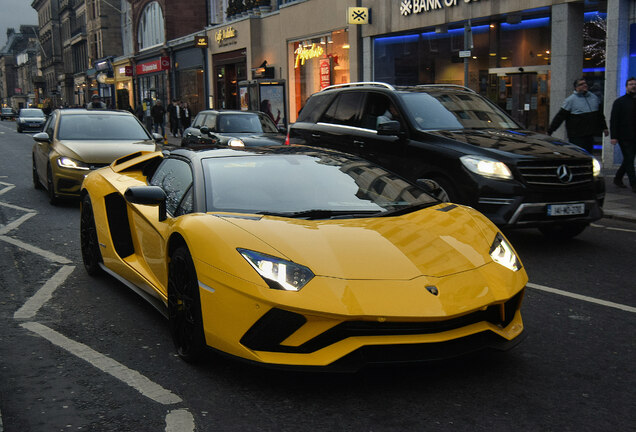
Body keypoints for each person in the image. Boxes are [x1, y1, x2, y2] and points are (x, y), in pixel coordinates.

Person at [547, 77, 609, 153]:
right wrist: (550, 131)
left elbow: (600, 115)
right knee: (578, 153)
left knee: (588, 154)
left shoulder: (594, 98)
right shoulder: (570, 100)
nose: (585, 85)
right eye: (581, 84)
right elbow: (560, 117)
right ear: (576, 88)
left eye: (585, 83)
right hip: (576, 135)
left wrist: (604, 127)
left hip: (590, 134)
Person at [609, 77, 636, 192]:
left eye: (635, 84)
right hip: (624, 136)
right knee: (629, 159)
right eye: (630, 84)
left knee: (628, 159)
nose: (633, 86)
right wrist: (613, 136)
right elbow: (614, 120)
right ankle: (634, 184)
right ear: (626, 87)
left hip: (635, 135)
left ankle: (618, 178)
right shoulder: (619, 102)